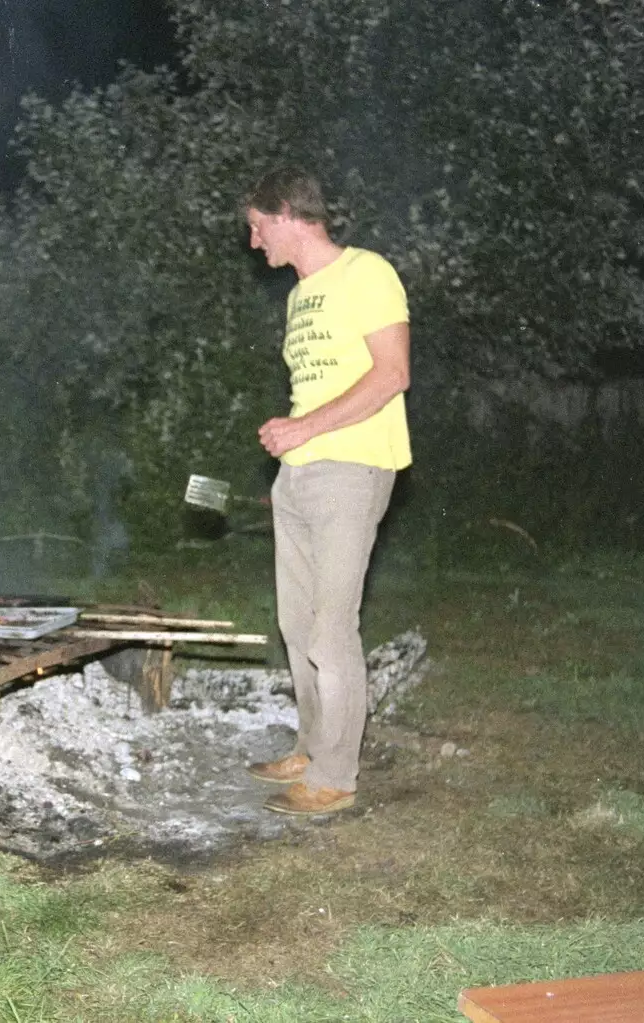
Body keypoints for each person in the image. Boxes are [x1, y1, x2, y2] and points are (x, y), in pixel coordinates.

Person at [242, 168, 412, 816]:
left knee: (331, 629)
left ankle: (336, 776)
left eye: (258, 227)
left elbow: (392, 373)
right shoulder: (299, 295)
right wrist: (292, 441)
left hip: (353, 466)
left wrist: (306, 427)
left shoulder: (367, 273)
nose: (256, 243)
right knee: (295, 623)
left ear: (287, 212)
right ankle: (313, 748)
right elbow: (315, 387)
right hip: (301, 474)